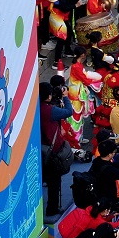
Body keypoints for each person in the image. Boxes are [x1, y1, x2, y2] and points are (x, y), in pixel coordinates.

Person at [40, 81, 76, 218]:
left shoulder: (35, 108)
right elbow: (68, 112)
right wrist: (66, 97)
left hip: (39, 149)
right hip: (52, 151)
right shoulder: (50, 110)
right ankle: (52, 208)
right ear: (49, 96)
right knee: (54, 181)